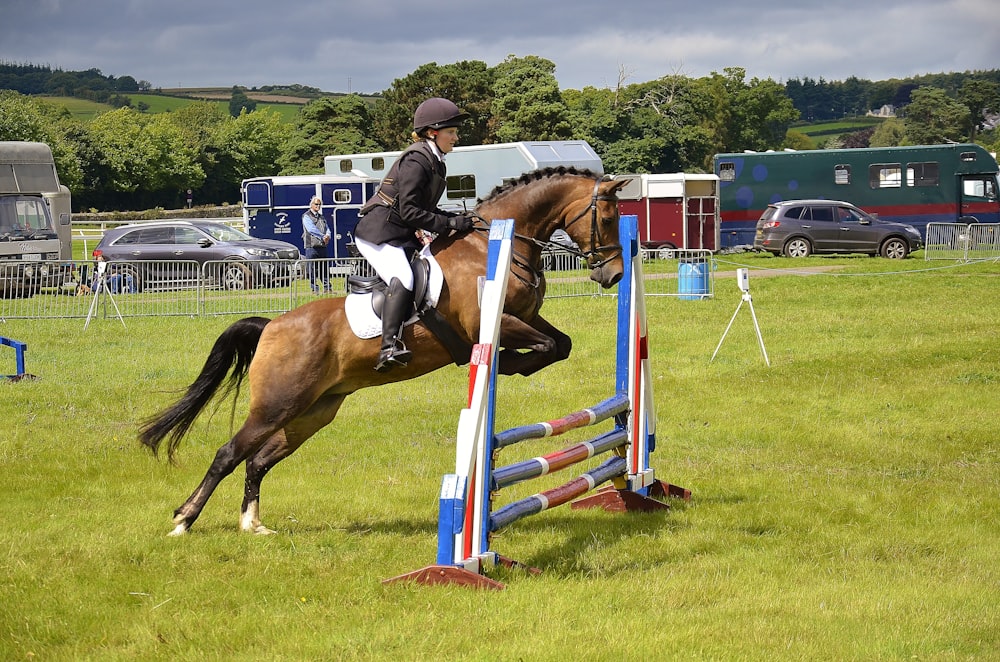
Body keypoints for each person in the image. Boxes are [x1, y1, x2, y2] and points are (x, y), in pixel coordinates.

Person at [354, 97, 477, 372]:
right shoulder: (417, 160)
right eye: (451, 132)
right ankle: (388, 348)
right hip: (379, 232)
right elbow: (410, 211)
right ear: (433, 132)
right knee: (405, 277)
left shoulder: (435, 161)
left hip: (399, 232)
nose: (456, 137)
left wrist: (457, 219)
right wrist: (448, 225)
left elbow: (425, 209)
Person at [302, 196, 332, 293]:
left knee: (324, 268)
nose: (318, 206)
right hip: (311, 246)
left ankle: (327, 288)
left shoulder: (321, 217)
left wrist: (328, 235)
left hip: (322, 246)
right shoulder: (306, 216)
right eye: (316, 204)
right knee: (311, 269)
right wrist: (323, 236)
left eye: (319, 204)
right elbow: (311, 229)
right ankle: (314, 289)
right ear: (311, 205)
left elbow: (327, 228)